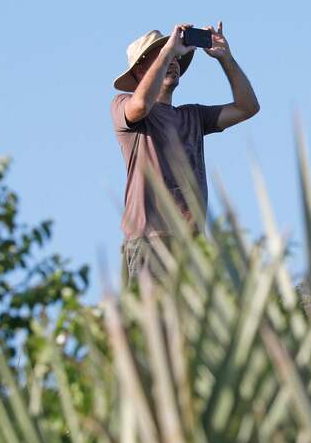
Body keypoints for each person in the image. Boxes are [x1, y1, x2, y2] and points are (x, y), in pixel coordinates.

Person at [110, 22, 260, 285]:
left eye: (174, 57)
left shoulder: (193, 116)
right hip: (149, 242)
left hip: (192, 245)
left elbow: (248, 107)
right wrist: (168, 50)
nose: (172, 61)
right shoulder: (122, 104)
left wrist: (226, 59)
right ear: (138, 74)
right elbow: (140, 105)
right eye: (157, 56)